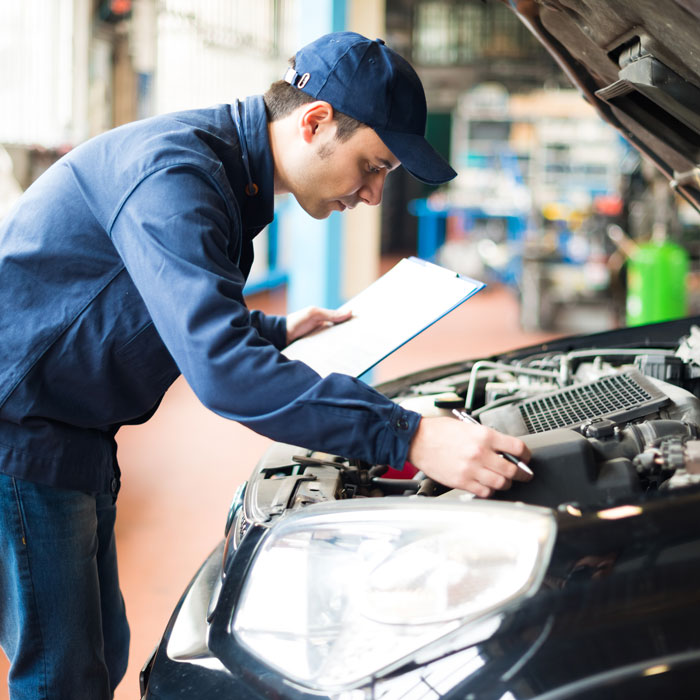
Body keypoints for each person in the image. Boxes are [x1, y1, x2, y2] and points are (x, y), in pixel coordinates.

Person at [0, 31, 531, 699]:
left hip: (69, 428)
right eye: (374, 166)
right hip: (19, 432)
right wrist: (412, 435)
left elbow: (143, 302)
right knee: (61, 676)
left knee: (101, 649)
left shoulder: (225, 175)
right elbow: (222, 372)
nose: (371, 195)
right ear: (315, 122)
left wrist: (275, 329)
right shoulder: (176, 177)